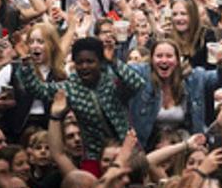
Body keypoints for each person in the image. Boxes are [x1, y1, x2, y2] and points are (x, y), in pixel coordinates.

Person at [17, 37, 145, 159]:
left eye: (90, 62)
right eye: (79, 62)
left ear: (100, 62)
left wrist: (113, 61)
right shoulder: (70, 87)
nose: (84, 66)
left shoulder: (112, 79)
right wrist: (26, 62)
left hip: (127, 149)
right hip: (96, 155)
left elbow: (137, 84)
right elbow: (38, 89)